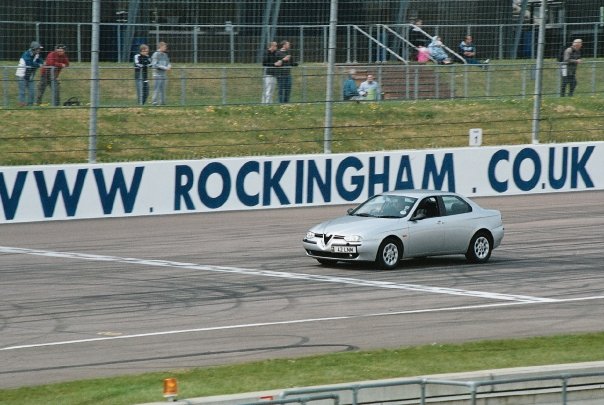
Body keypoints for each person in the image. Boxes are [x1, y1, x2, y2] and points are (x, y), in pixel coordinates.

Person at [15, 41, 44, 106]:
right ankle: (21, 104)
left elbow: (41, 61)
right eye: (38, 49)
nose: (39, 50)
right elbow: (30, 63)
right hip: (22, 75)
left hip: (30, 76)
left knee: (32, 91)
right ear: (34, 49)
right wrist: (39, 65)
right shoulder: (26, 54)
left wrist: (39, 63)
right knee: (22, 91)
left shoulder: (37, 54)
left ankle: (30, 104)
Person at [151, 41, 172, 106]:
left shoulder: (165, 55)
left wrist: (169, 66)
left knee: (163, 89)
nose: (165, 48)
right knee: (156, 89)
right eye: (164, 47)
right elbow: (155, 64)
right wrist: (165, 68)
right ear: (160, 47)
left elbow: (168, 62)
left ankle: (163, 102)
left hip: (163, 75)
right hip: (157, 75)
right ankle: (154, 102)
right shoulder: (156, 54)